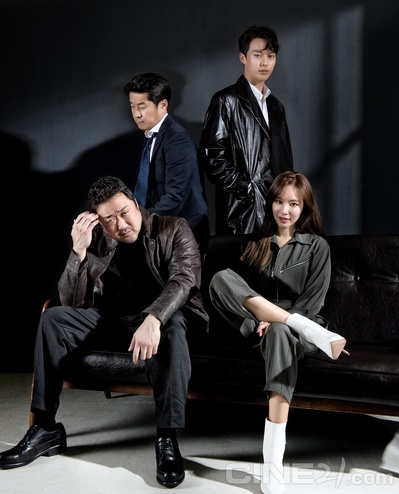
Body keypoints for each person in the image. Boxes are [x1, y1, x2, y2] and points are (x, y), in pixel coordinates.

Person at [0, 176, 209, 489]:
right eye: (109, 219)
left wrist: (153, 318)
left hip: (164, 320)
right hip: (114, 321)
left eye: (124, 213)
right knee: (53, 318)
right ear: (98, 220)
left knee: (175, 323)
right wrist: (78, 252)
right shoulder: (98, 239)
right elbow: (71, 301)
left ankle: (167, 438)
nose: (120, 225)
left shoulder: (173, 228)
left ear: (136, 204)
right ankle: (45, 428)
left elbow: (184, 280)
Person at [208, 171, 349, 494]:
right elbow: (240, 293)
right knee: (220, 279)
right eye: (279, 201)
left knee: (281, 333)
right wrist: (267, 318)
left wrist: (282, 322)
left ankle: (272, 465)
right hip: (255, 325)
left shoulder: (317, 247)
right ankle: (291, 324)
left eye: (293, 204)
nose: (285, 210)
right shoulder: (256, 244)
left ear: (305, 207)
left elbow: (313, 301)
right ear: (270, 203)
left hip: (299, 329)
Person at [199, 24, 293, 235]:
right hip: (241, 209)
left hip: (276, 207)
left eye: (271, 56)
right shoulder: (226, 100)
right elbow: (212, 157)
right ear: (243, 57)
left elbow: (285, 160)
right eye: (257, 55)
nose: (265, 62)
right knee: (243, 256)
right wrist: (246, 187)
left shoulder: (276, 107)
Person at [124, 72, 210, 248]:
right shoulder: (151, 136)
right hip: (163, 225)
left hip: (184, 230)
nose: (136, 114)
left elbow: (175, 196)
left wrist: (137, 220)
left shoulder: (177, 140)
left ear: (163, 105)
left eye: (142, 106)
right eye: (132, 106)